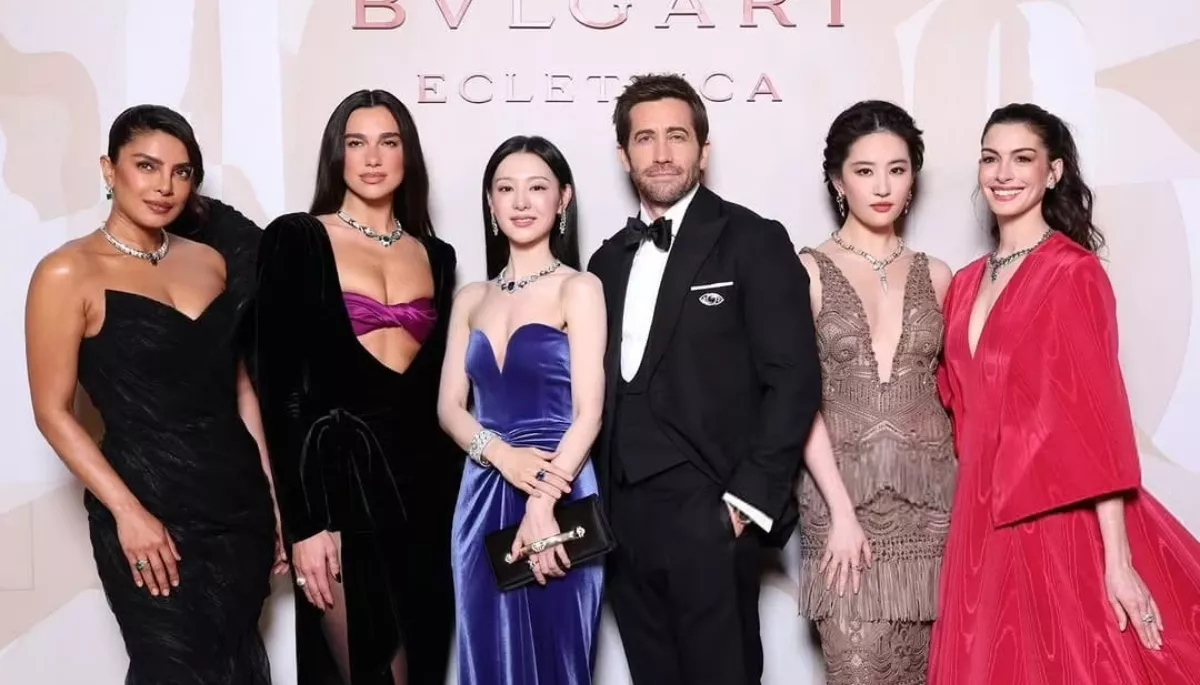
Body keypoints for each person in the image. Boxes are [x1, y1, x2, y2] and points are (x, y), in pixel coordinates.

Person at [928, 103, 1200, 684]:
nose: (1003, 173)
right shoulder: (966, 282)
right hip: (977, 517)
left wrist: (1118, 560)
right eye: (991, 159)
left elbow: (1100, 417)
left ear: (1053, 172)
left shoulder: (1073, 273)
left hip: (1053, 517)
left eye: (1022, 159)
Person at [24, 104, 285, 684]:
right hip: (146, 508)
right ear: (109, 169)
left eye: (181, 172)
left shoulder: (210, 262)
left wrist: (271, 494)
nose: (165, 186)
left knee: (234, 665)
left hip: (236, 504)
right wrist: (127, 512)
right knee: (170, 669)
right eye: (146, 166)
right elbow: (51, 412)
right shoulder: (66, 273)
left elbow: (240, 387)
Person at [585, 73, 822, 685]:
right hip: (621, 518)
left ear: (703, 150)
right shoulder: (605, 262)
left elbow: (794, 378)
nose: (662, 153)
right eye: (645, 138)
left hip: (712, 511)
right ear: (624, 154)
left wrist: (744, 505)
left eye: (678, 136)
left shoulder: (754, 239)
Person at [254, 89, 460, 684]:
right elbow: (280, 395)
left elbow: (440, 395)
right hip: (336, 490)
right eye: (356, 142)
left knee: (423, 668)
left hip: (427, 496)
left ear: (407, 155)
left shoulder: (438, 257)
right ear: (336, 155)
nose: (372, 158)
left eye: (388, 142)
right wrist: (304, 524)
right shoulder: (296, 237)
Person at [795, 100, 957, 684]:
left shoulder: (938, 275)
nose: (882, 186)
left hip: (934, 512)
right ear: (838, 181)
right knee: (857, 669)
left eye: (897, 169)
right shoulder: (806, 271)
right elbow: (796, 400)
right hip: (841, 504)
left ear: (913, 178)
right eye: (864, 171)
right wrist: (840, 512)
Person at [438, 134, 606, 684]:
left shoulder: (579, 288)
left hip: (560, 484)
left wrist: (542, 501)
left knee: (559, 656)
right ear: (490, 203)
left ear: (563, 199)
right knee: (487, 655)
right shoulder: (471, 298)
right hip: (483, 492)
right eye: (506, 189)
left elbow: (590, 412)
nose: (521, 202)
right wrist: (502, 456)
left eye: (537, 187)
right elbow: (449, 408)